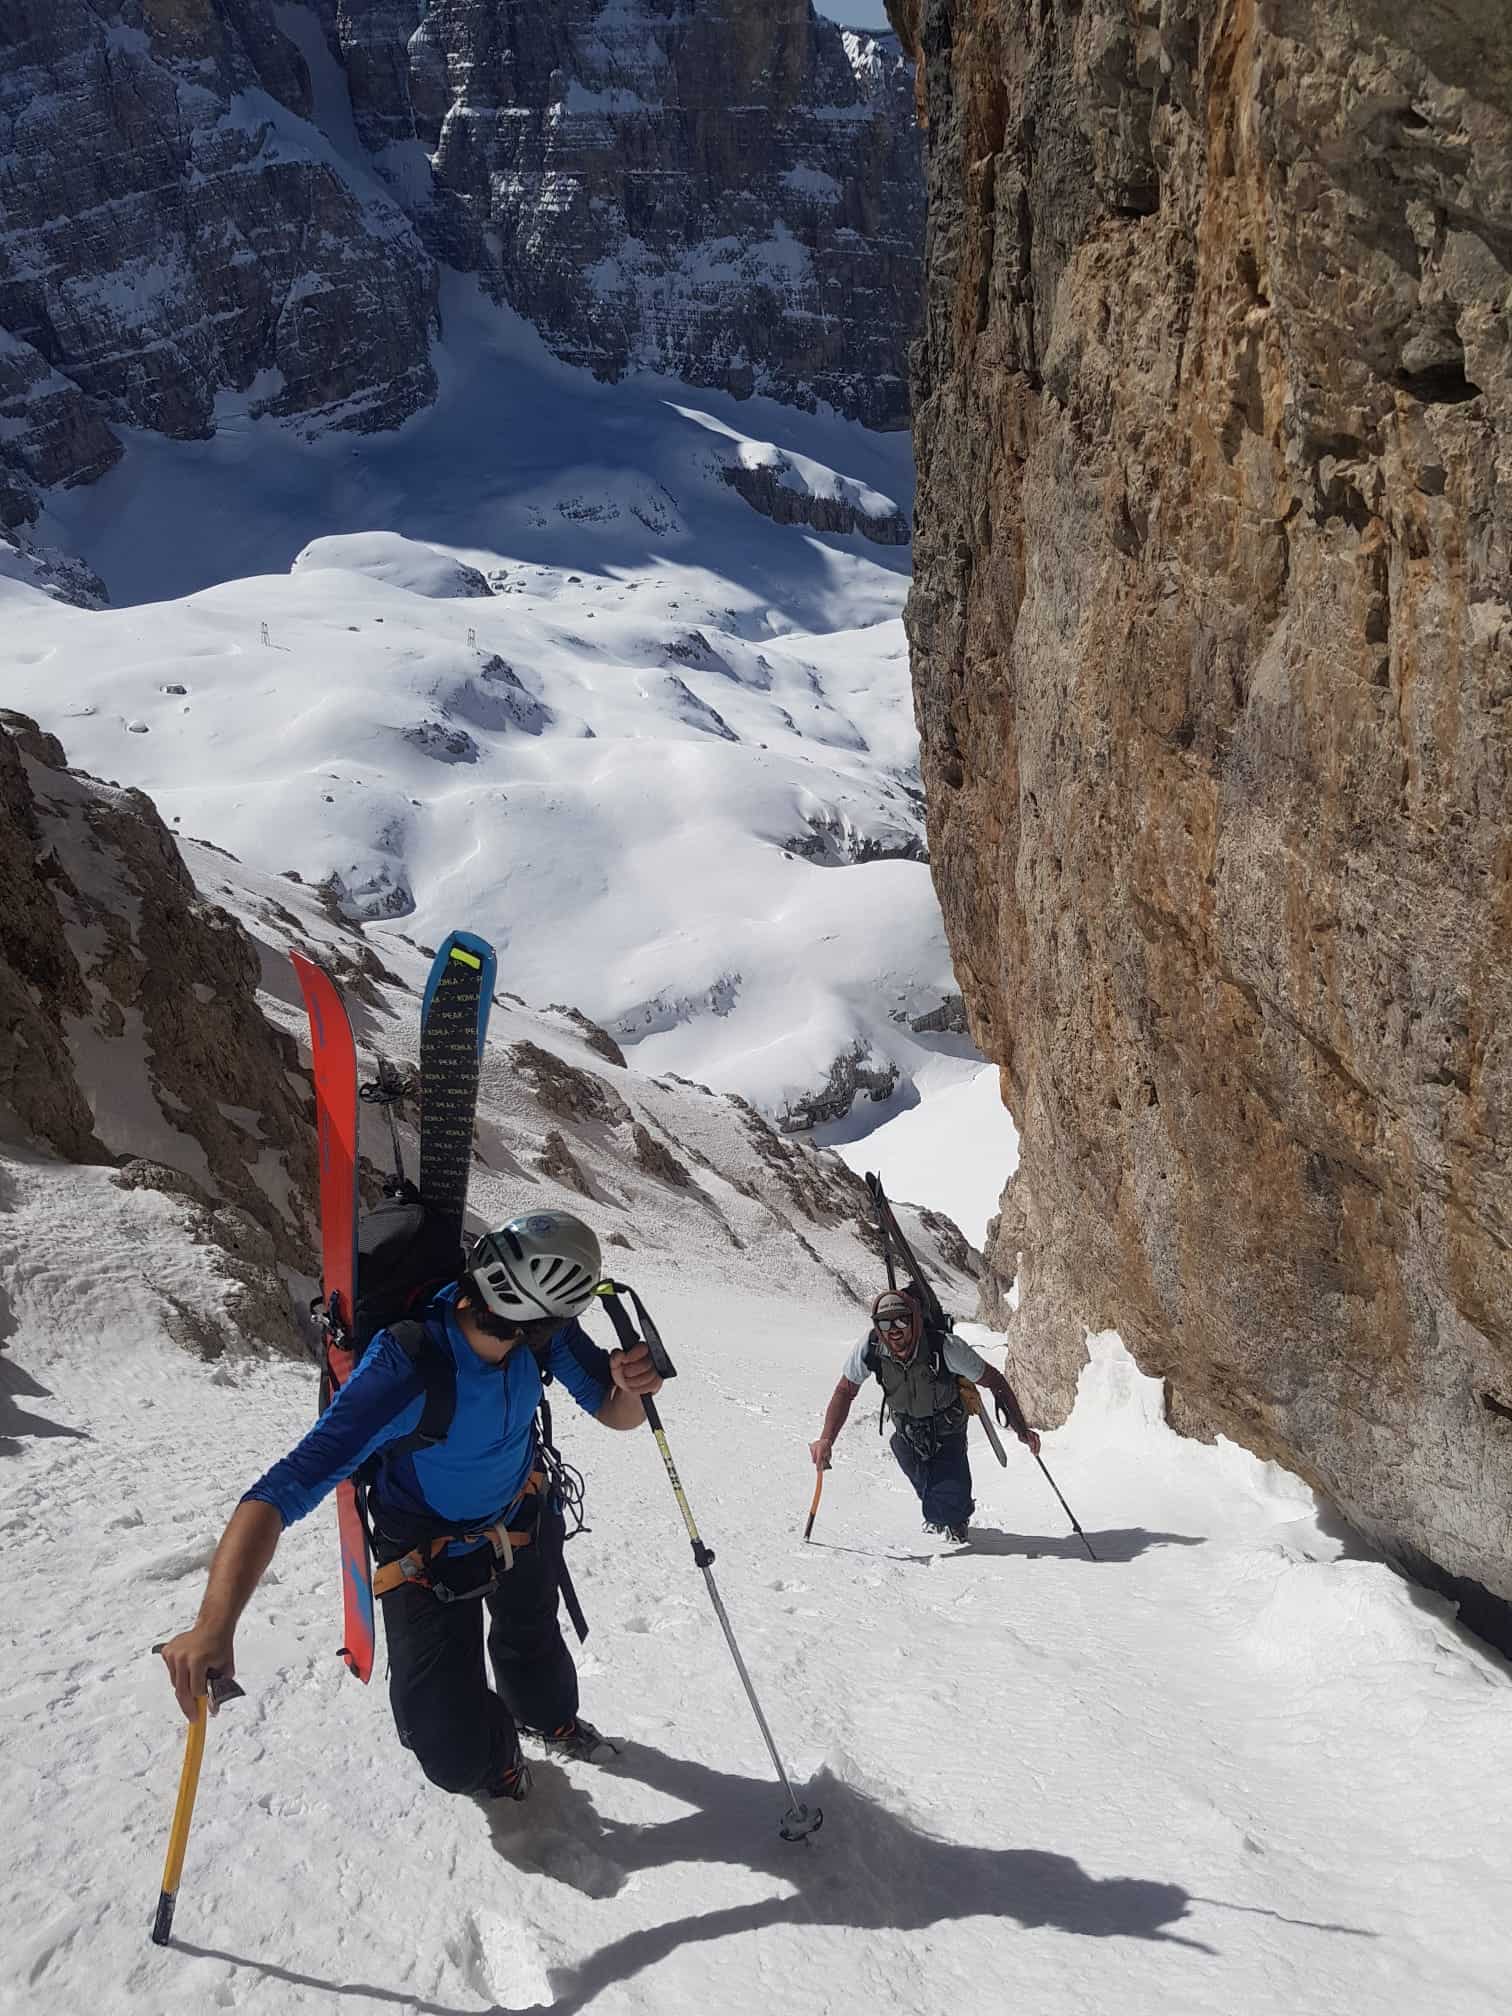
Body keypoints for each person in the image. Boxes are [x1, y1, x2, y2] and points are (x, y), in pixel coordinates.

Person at [160, 1211, 662, 1804]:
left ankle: (544, 1719)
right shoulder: (406, 1366)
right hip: (427, 1554)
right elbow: (280, 1490)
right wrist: (214, 1623)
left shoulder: (539, 1337)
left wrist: (631, 1389)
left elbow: (612, 1411)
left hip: (521, 1516)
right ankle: (495, 1759)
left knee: (537, 1664)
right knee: (452, 1750)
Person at [809, 1286, 1039, 1544]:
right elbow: (845, 1390)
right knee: (935, 1500)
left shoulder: (946, 1348)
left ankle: (954, 1517)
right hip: (907, 1434)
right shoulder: (871, 1347)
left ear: (914, 1319)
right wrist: (826, 1438)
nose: (893, 1329)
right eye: (884, 1323)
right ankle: (942, 1509)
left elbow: (994, 1380)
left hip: (948, 1432)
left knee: (947, 1508)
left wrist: (1021, 1428)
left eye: (901, 1320)